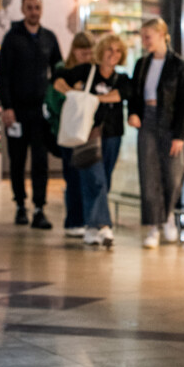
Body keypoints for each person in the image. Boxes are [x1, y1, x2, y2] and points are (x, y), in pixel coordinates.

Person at [54, 33, 130, 247]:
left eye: (118, 51)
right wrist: (73, 94)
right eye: (109, 49)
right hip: (87, 134)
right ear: (101, 51)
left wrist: (93, 99)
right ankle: (103, 226)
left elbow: (122, 94)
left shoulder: (122, 78)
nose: (113, 54)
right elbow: (57, 80)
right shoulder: (86, 71)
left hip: (113, 135)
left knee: (103, 180)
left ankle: (91, 227)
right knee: (95, 179)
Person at [0, 0, 62, 229]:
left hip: (41, 112)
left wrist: (56, 103)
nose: (34, 11)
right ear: (23, 10)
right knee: (17, 160)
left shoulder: (49, 38)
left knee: (40, 161)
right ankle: (20, 205)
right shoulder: (12, 38)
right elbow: (2, 75)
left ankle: (39, 208)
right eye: (29, 7)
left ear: (41, 9)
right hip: (17, 111)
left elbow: (58, 72)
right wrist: (7, 107)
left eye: (37, 7)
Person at [128, 17, 184, 249]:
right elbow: (134, 95)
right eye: (143, 37)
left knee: (173, 173)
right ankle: (154, 226)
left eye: (148, 36)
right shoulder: (141, 64)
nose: (144, 41)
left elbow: (183, 102)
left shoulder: (179, 65)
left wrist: (179, 136)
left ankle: (168, 215)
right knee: (149, 173)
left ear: (162, 35)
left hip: (170, 123)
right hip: (147, 120)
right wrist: (133, 113)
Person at [45, 32, 95, 237]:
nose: (86, 56)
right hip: (67, 131)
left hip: (90, 132)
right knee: (73, 177)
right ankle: (74, 221)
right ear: (74, 50)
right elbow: (53, 101)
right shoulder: (62, 71)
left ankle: (89, 220)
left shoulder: (94, 71)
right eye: (82, 51)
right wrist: (73, 95)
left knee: (89, 178)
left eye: (90, 52)